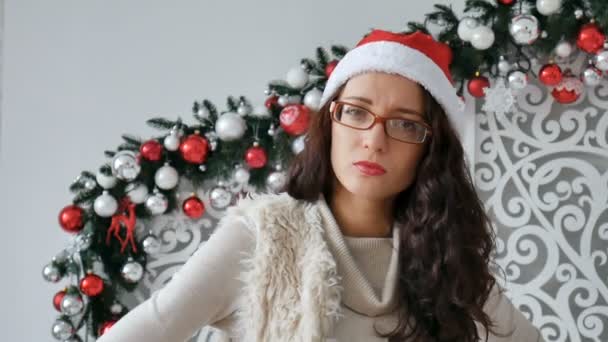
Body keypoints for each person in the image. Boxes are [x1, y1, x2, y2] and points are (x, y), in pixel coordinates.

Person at [98, 29, 545, 342]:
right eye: (355, 111)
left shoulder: (449, 263)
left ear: (430, 150)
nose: (374, 139)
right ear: (330, 124)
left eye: (405, 125)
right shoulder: (261, 240)